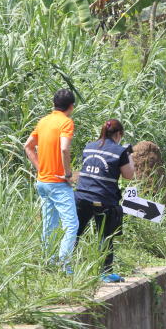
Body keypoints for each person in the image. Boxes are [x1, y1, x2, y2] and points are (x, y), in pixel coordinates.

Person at [24, 89, 78, 271]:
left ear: (54, 104)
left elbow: (28, 146)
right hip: (58, 183)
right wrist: (68, 174)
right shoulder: (66, 123)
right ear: (71, 106)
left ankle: (49, 262)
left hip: (42, 182)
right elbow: (64, 149)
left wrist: (41, 168)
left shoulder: (43, 121)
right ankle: (64, 265)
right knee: (72, 225)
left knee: (49, 224)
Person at [75, 119, 134, 283]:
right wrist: (129, 155)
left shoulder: (89, 146)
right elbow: (129, 175)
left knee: (75, 232)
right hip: (104, 199)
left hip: (81, 196)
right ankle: (105, 273)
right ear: (118, 134)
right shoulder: (120, 151)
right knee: (106, 235)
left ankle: (66, 268)